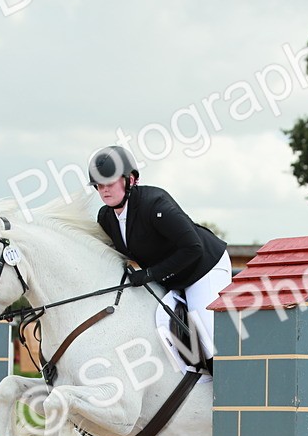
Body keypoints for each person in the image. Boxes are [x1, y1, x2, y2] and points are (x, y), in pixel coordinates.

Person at [88, 145, 232, 367]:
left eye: (110, 183)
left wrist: (149, 274)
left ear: (130, 180)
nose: (104, 190)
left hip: (204, 268)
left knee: (206, 335)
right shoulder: (106, 217)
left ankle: (227, 381)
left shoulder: (155, 203)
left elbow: (193, 248)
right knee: (159, 322)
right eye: (99, 185)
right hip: (170, 276)